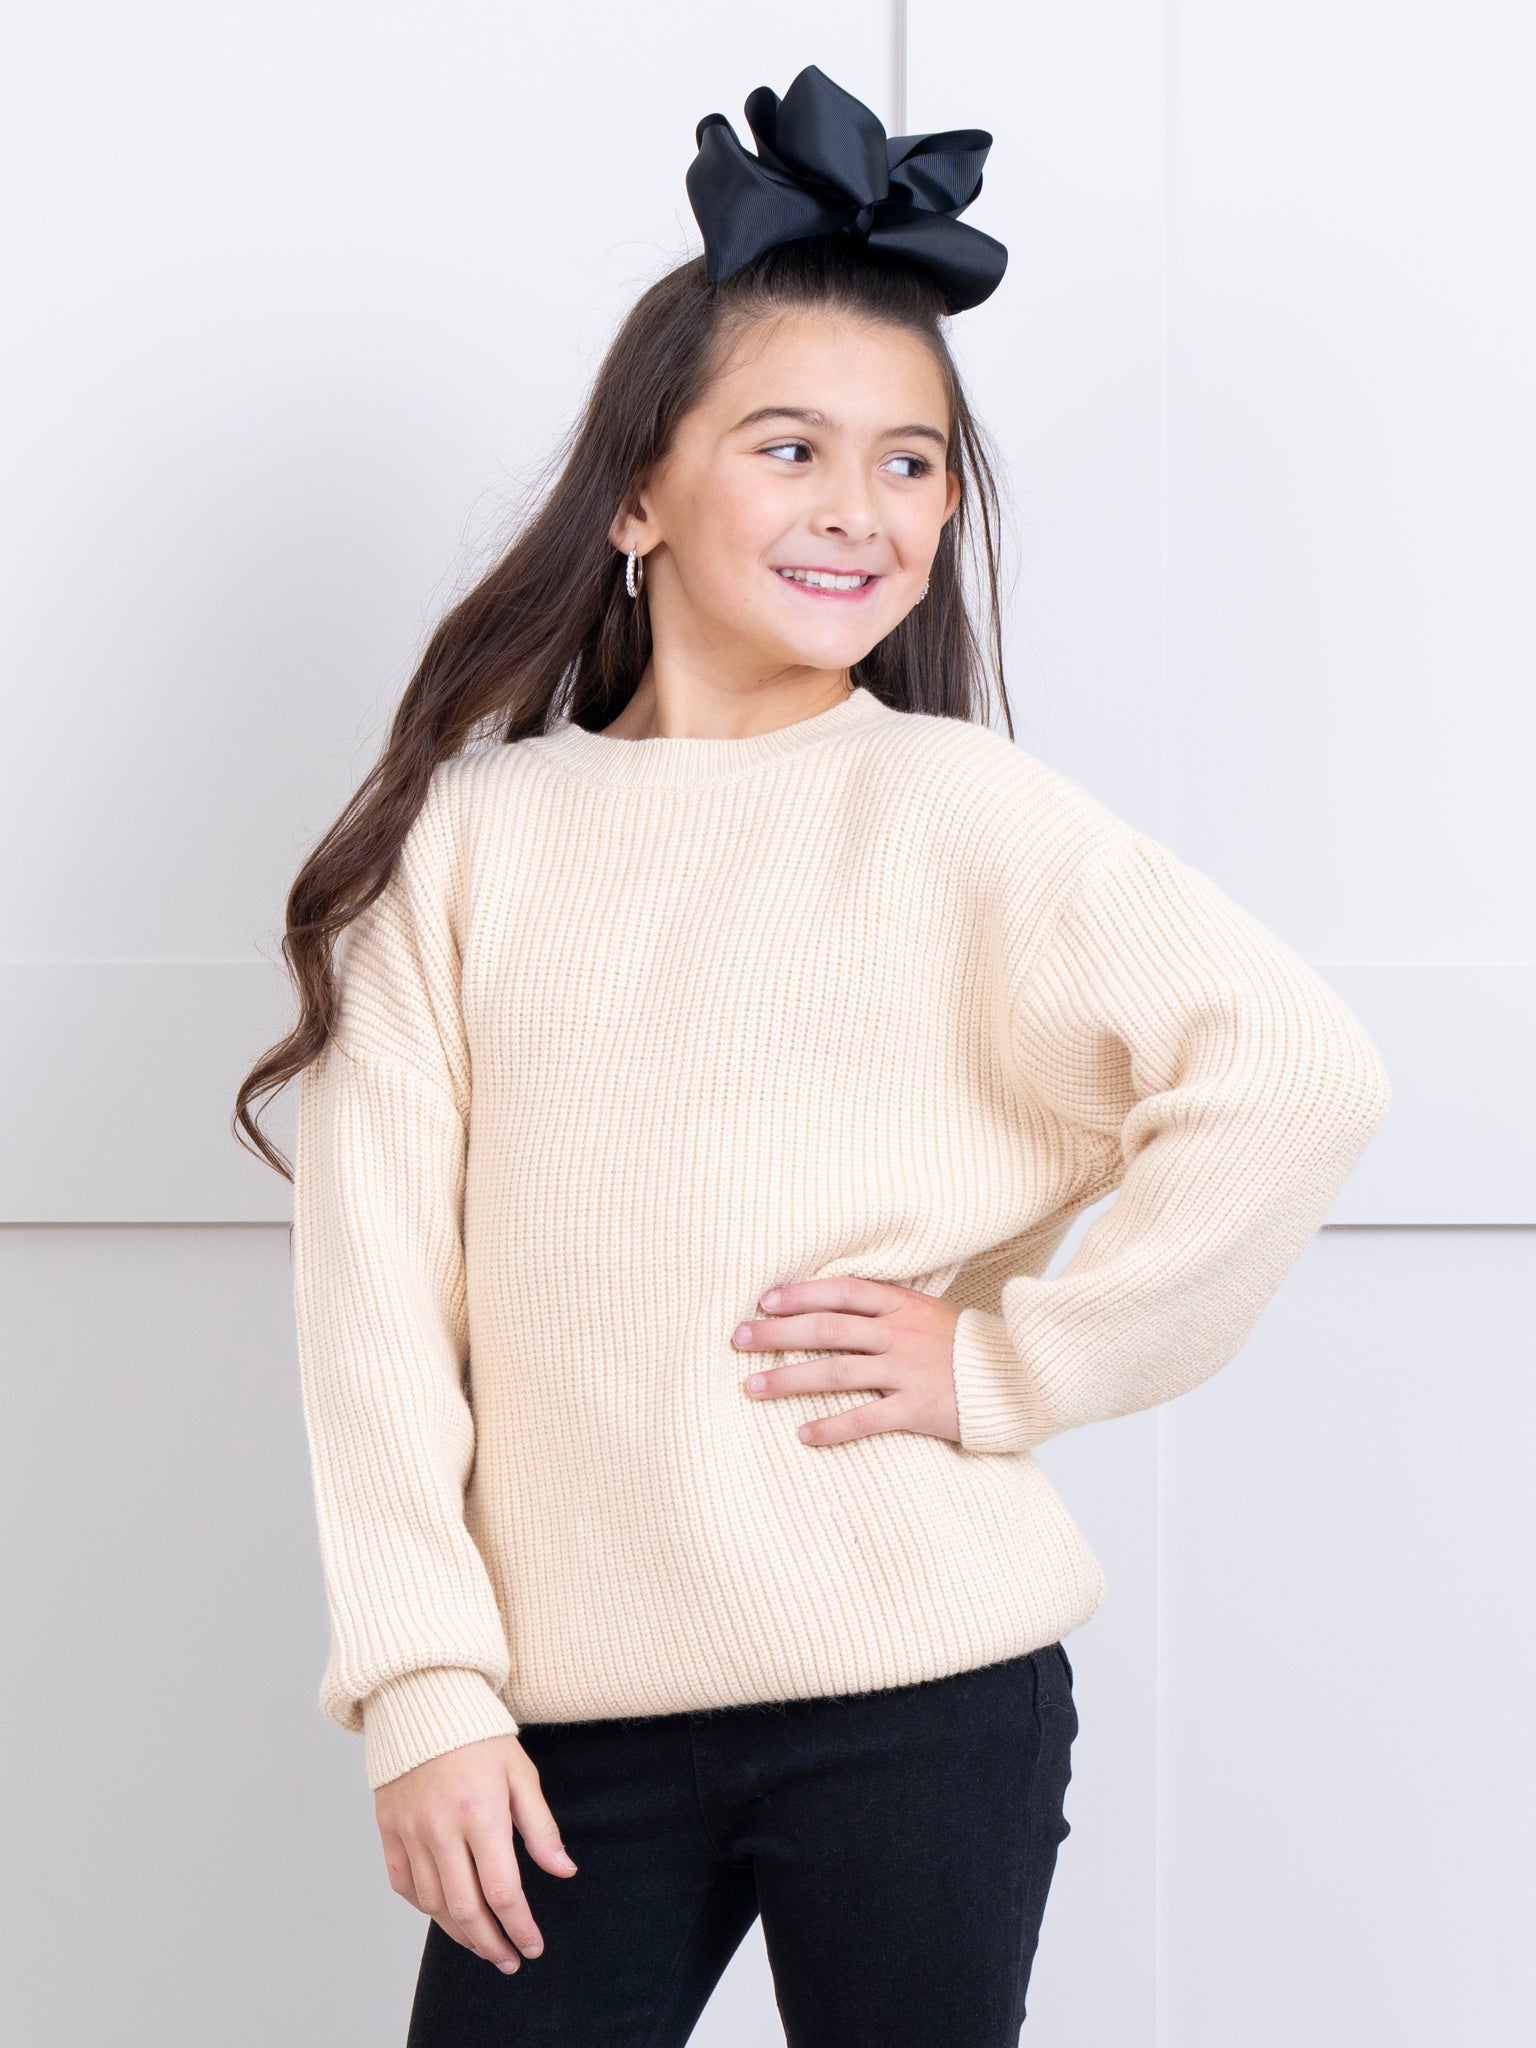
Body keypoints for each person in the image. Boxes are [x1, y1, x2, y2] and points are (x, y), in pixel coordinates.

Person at [235, 64, 1392, 2048]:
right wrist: (424, 1686)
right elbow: (375, 1316)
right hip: (564, 1725)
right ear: (635, 495)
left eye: (912, 463)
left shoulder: (963, 811)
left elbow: (1296, 1074)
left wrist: (1009, 1365)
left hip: (925, 1692)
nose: (862, 508)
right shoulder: (465, 843)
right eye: (790, 448)